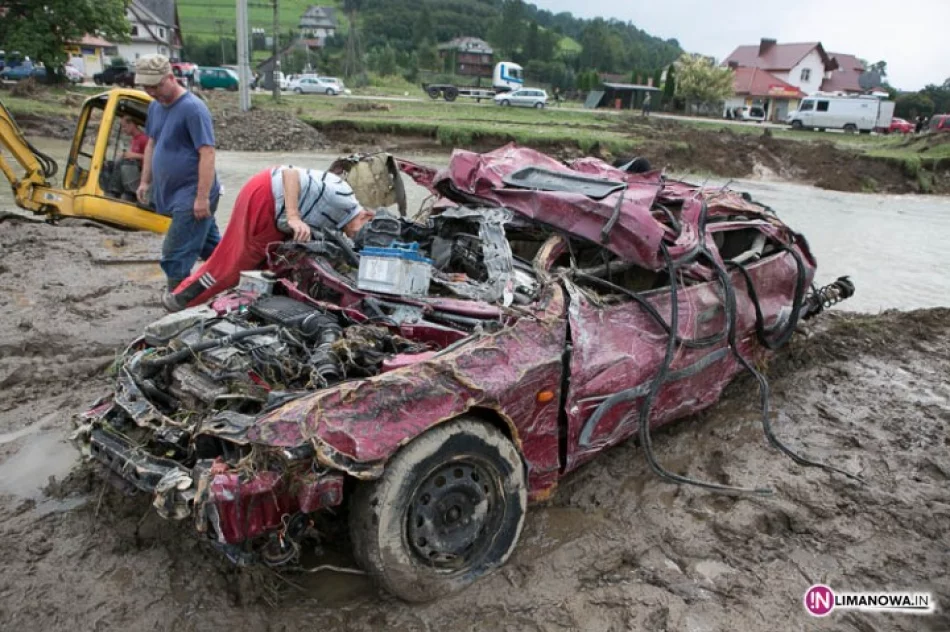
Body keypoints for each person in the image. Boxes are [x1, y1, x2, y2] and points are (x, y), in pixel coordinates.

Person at [162, 166, 376, 311]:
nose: (356, 237)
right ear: (367, 214)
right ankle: (180, 300)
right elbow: (290, 174)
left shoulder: (340, 222)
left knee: (269, 269)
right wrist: (294, 216)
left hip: (274, 210)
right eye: (361, 231)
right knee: (233, 267)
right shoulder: (343, 198)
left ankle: (231, 310)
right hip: (267, 198)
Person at [134, 54, 222, 304]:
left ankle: (178, 302)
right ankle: (242, 279)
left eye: (157, 86)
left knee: (174, 254)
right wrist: (145, 181)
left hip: (193, 193)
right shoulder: (155, 107)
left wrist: (202, 198)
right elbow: (152, 142)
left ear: (171, 77)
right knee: (213, 249)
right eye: (147, 87)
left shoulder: (193, 109)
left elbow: (207, 153)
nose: (152, 92)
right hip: (173, 193)